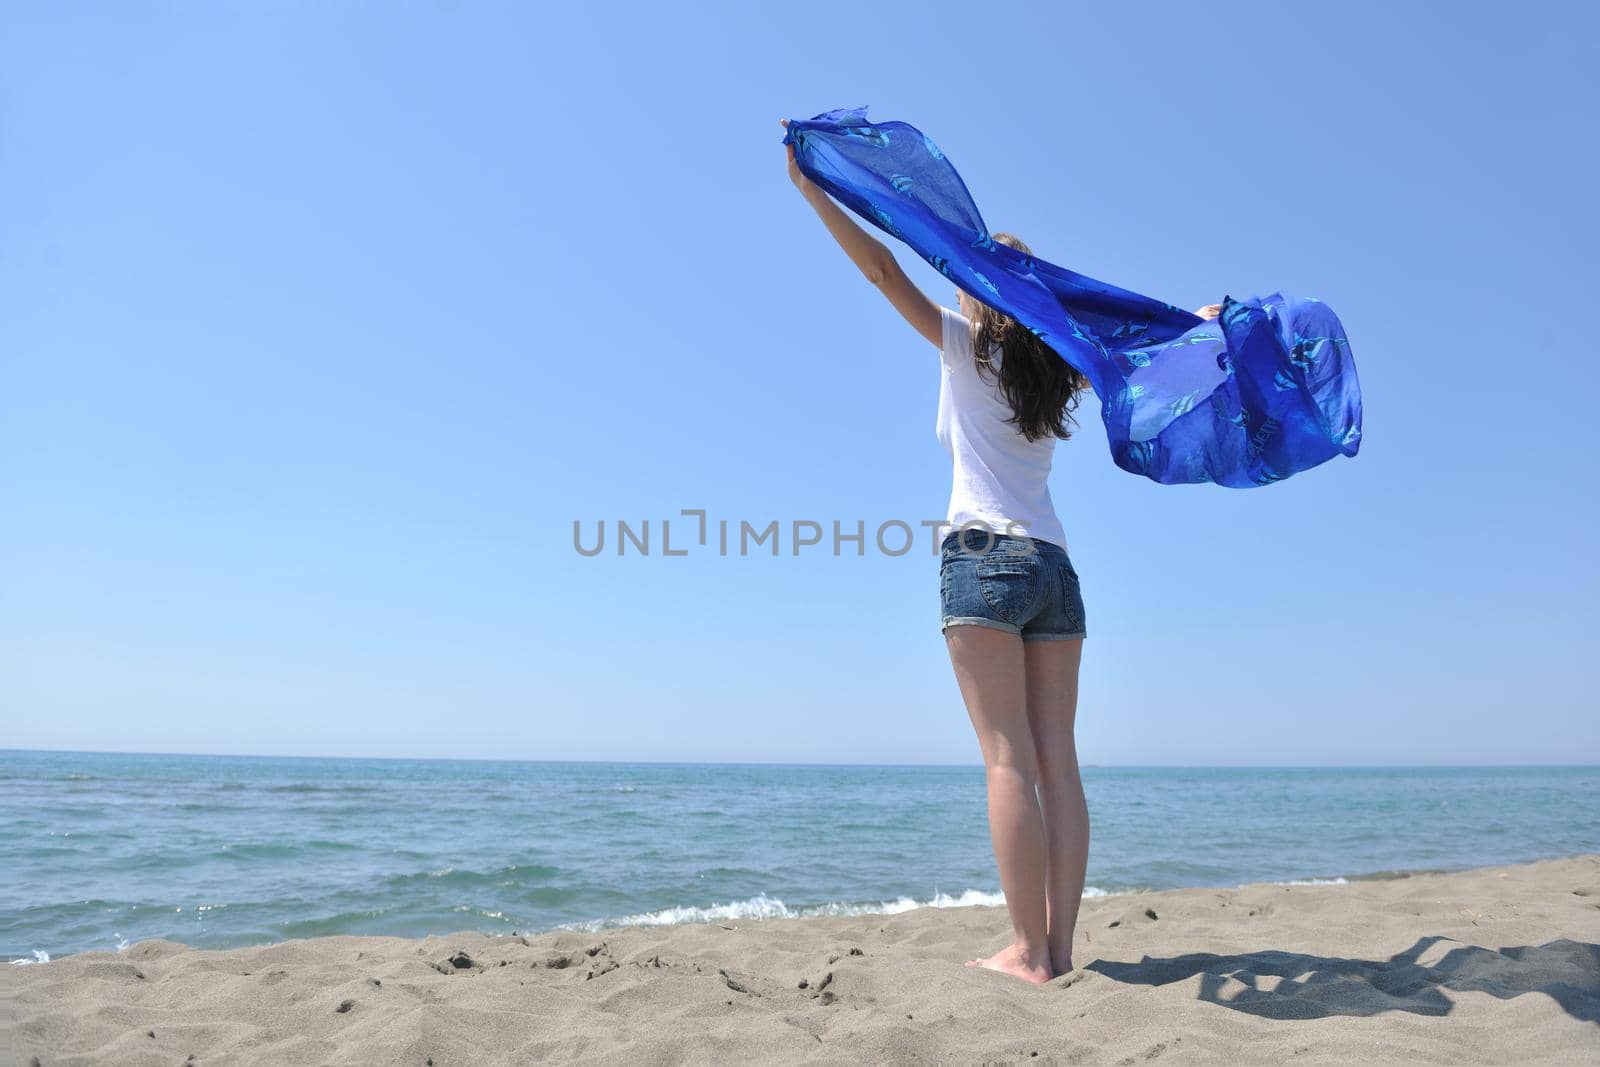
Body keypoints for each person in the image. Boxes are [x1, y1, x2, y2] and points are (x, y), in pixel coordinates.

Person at [782, 120, 1221, 984]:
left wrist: (813, 191)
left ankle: (1028, 952)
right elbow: (1145, 346)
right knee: (1058, 758)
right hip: (1056, 568)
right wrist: (1200, 325)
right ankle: (1061, 948)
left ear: (981, 292)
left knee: (1008, 758)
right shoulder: (1060, 367)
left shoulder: (960, 345)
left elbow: (881, 270)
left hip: (984, 557)